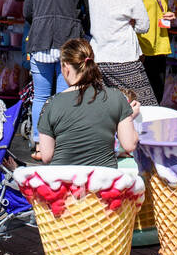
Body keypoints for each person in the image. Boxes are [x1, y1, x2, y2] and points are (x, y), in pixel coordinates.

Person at [33, 38, 139, 169]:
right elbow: (130, 145)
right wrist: (129, 117)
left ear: (66, 67)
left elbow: (47, 156)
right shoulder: (116, 97)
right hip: (103, 183)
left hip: (64, 183)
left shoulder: (51, 104)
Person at [23, 0, 87, 134]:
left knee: (41, 97)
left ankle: (38, 142)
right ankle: (59, 142)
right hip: (67, 44)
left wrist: (40, 22)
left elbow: (27, 12)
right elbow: (88, 10)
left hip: (40, 42)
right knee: (63, 97)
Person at [87, 0, 155, 106]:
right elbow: (143, 25)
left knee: (107, 109)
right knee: (146, 107)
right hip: (124, 58)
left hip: (98, 57)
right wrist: (130, 23)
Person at [130, 0, 173, 104]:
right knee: (142, 102)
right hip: (141, 50)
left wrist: (167, 14)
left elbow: (157, 8)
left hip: (159, 48)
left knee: (157, 97)